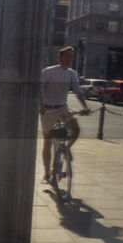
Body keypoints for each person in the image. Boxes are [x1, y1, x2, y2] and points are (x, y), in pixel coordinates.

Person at [40, 46, 91, 184]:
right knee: (48, 141)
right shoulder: (48, 72)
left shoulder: (72, 74)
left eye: (71, 56)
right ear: (60, 57)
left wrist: (85, 107)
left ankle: (66, 149)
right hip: (48, 109)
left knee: (76, 129)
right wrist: (41, 107)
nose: (69, 59)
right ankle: (46, 173)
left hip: (63, 108)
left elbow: (78, 92)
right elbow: (39, 90)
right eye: (67, 56)